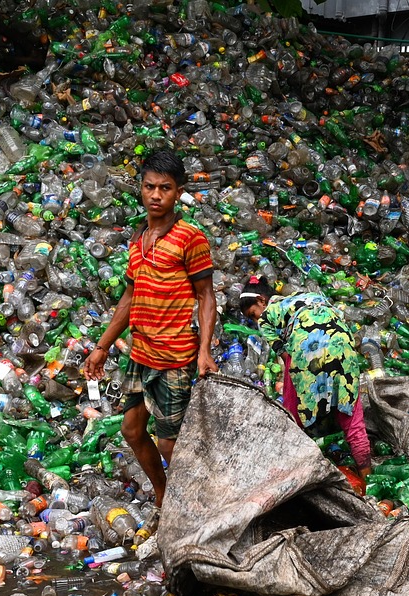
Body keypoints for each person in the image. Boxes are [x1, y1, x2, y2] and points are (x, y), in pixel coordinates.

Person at [83, 150, 218, 506]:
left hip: (174, 356)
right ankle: (163, 494)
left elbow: (206, 297)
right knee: (131, 429)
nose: (156, 195)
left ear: (178, 193)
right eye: (149, 187)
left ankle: (205, 504)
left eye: (165, 188)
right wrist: (102, 346)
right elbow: (130, 296)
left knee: (170, 442)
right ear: (140, 189)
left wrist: (204, 351)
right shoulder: (138, 239)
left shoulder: (191, 237)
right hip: (140, 354)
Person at [239, 278, 372, 478]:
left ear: (261, 300)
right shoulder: (307, 296)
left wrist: (292, 410)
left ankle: (296, 473)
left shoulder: (267, 317)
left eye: (253, 315)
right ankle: (368, 481)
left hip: (308, 349)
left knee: (295, 418)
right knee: (351, 416)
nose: (256, 320)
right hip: (342, 343)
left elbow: (289, 361)